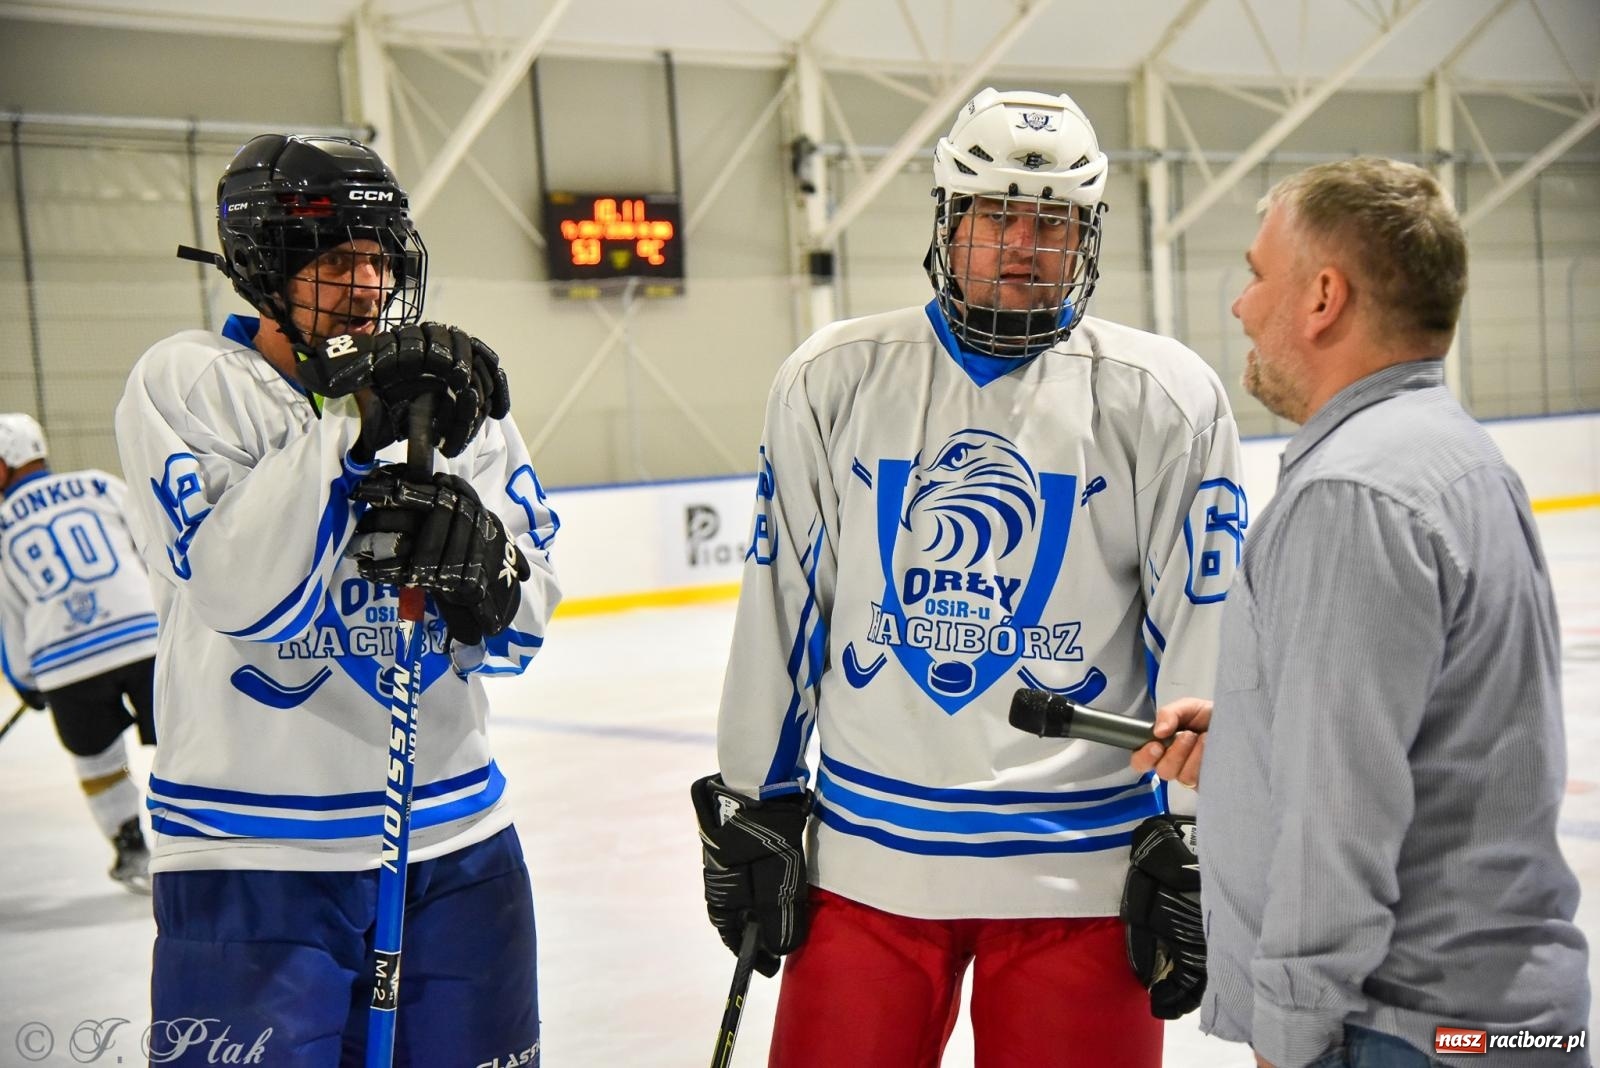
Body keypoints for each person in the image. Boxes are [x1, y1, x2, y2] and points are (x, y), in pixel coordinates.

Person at [691, 87, 1245, 1066]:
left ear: (1086, 235)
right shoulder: (835, 376)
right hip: (869, 871)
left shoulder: (1163, 396)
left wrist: (1196, 836)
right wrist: (756, 798)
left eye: (1051, 221)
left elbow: (1198, 630)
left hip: (1081, 871)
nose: (1022, 244)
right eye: (995, 213)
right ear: (948, 220)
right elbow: (783, 606)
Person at [1132, 157, 1591, 1067]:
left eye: (1259, 275)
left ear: (1323, 298)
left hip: (1403, 1031)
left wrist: (1290, 1032)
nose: (1241, 305)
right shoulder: (1451, 458)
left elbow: (1337, 817)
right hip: (1488, 1025)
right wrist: (1266, 733)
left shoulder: (1352, 492)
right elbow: (1430, 733)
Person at [114, 134, 561, 1066]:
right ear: (264, 263)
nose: (365, 285)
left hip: (456, 836)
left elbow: (523, 631)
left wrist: (487, 577)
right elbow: (246, 601)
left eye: (379, 257)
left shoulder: (457, 398)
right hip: (252, 855)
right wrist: (353, 426)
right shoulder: (190, 382)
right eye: (334, 257)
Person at [0, 412, 156, 892]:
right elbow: (152, 546)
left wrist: (26, 680)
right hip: (144, 636)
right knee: (184, 739)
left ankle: (131, 846)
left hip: (63, 661)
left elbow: (8, 614)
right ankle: (205, 835)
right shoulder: (98, 485)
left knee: (96, 760)